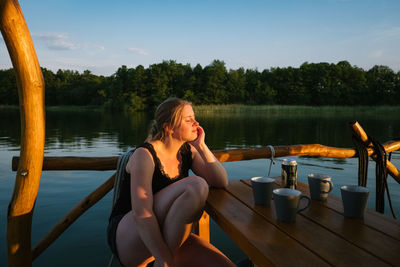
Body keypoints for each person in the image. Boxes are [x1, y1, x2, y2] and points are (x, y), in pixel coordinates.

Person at [107, 97, 235, 267]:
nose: (196, 123)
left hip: (167, 234)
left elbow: (221, 181)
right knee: (196, 185)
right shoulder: (145, 155)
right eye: (188, 120)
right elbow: (142, 214)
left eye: (194, 118)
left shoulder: (187, 151)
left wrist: (202, 146)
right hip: (130, 235)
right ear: (168, 127)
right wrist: (164, 260)